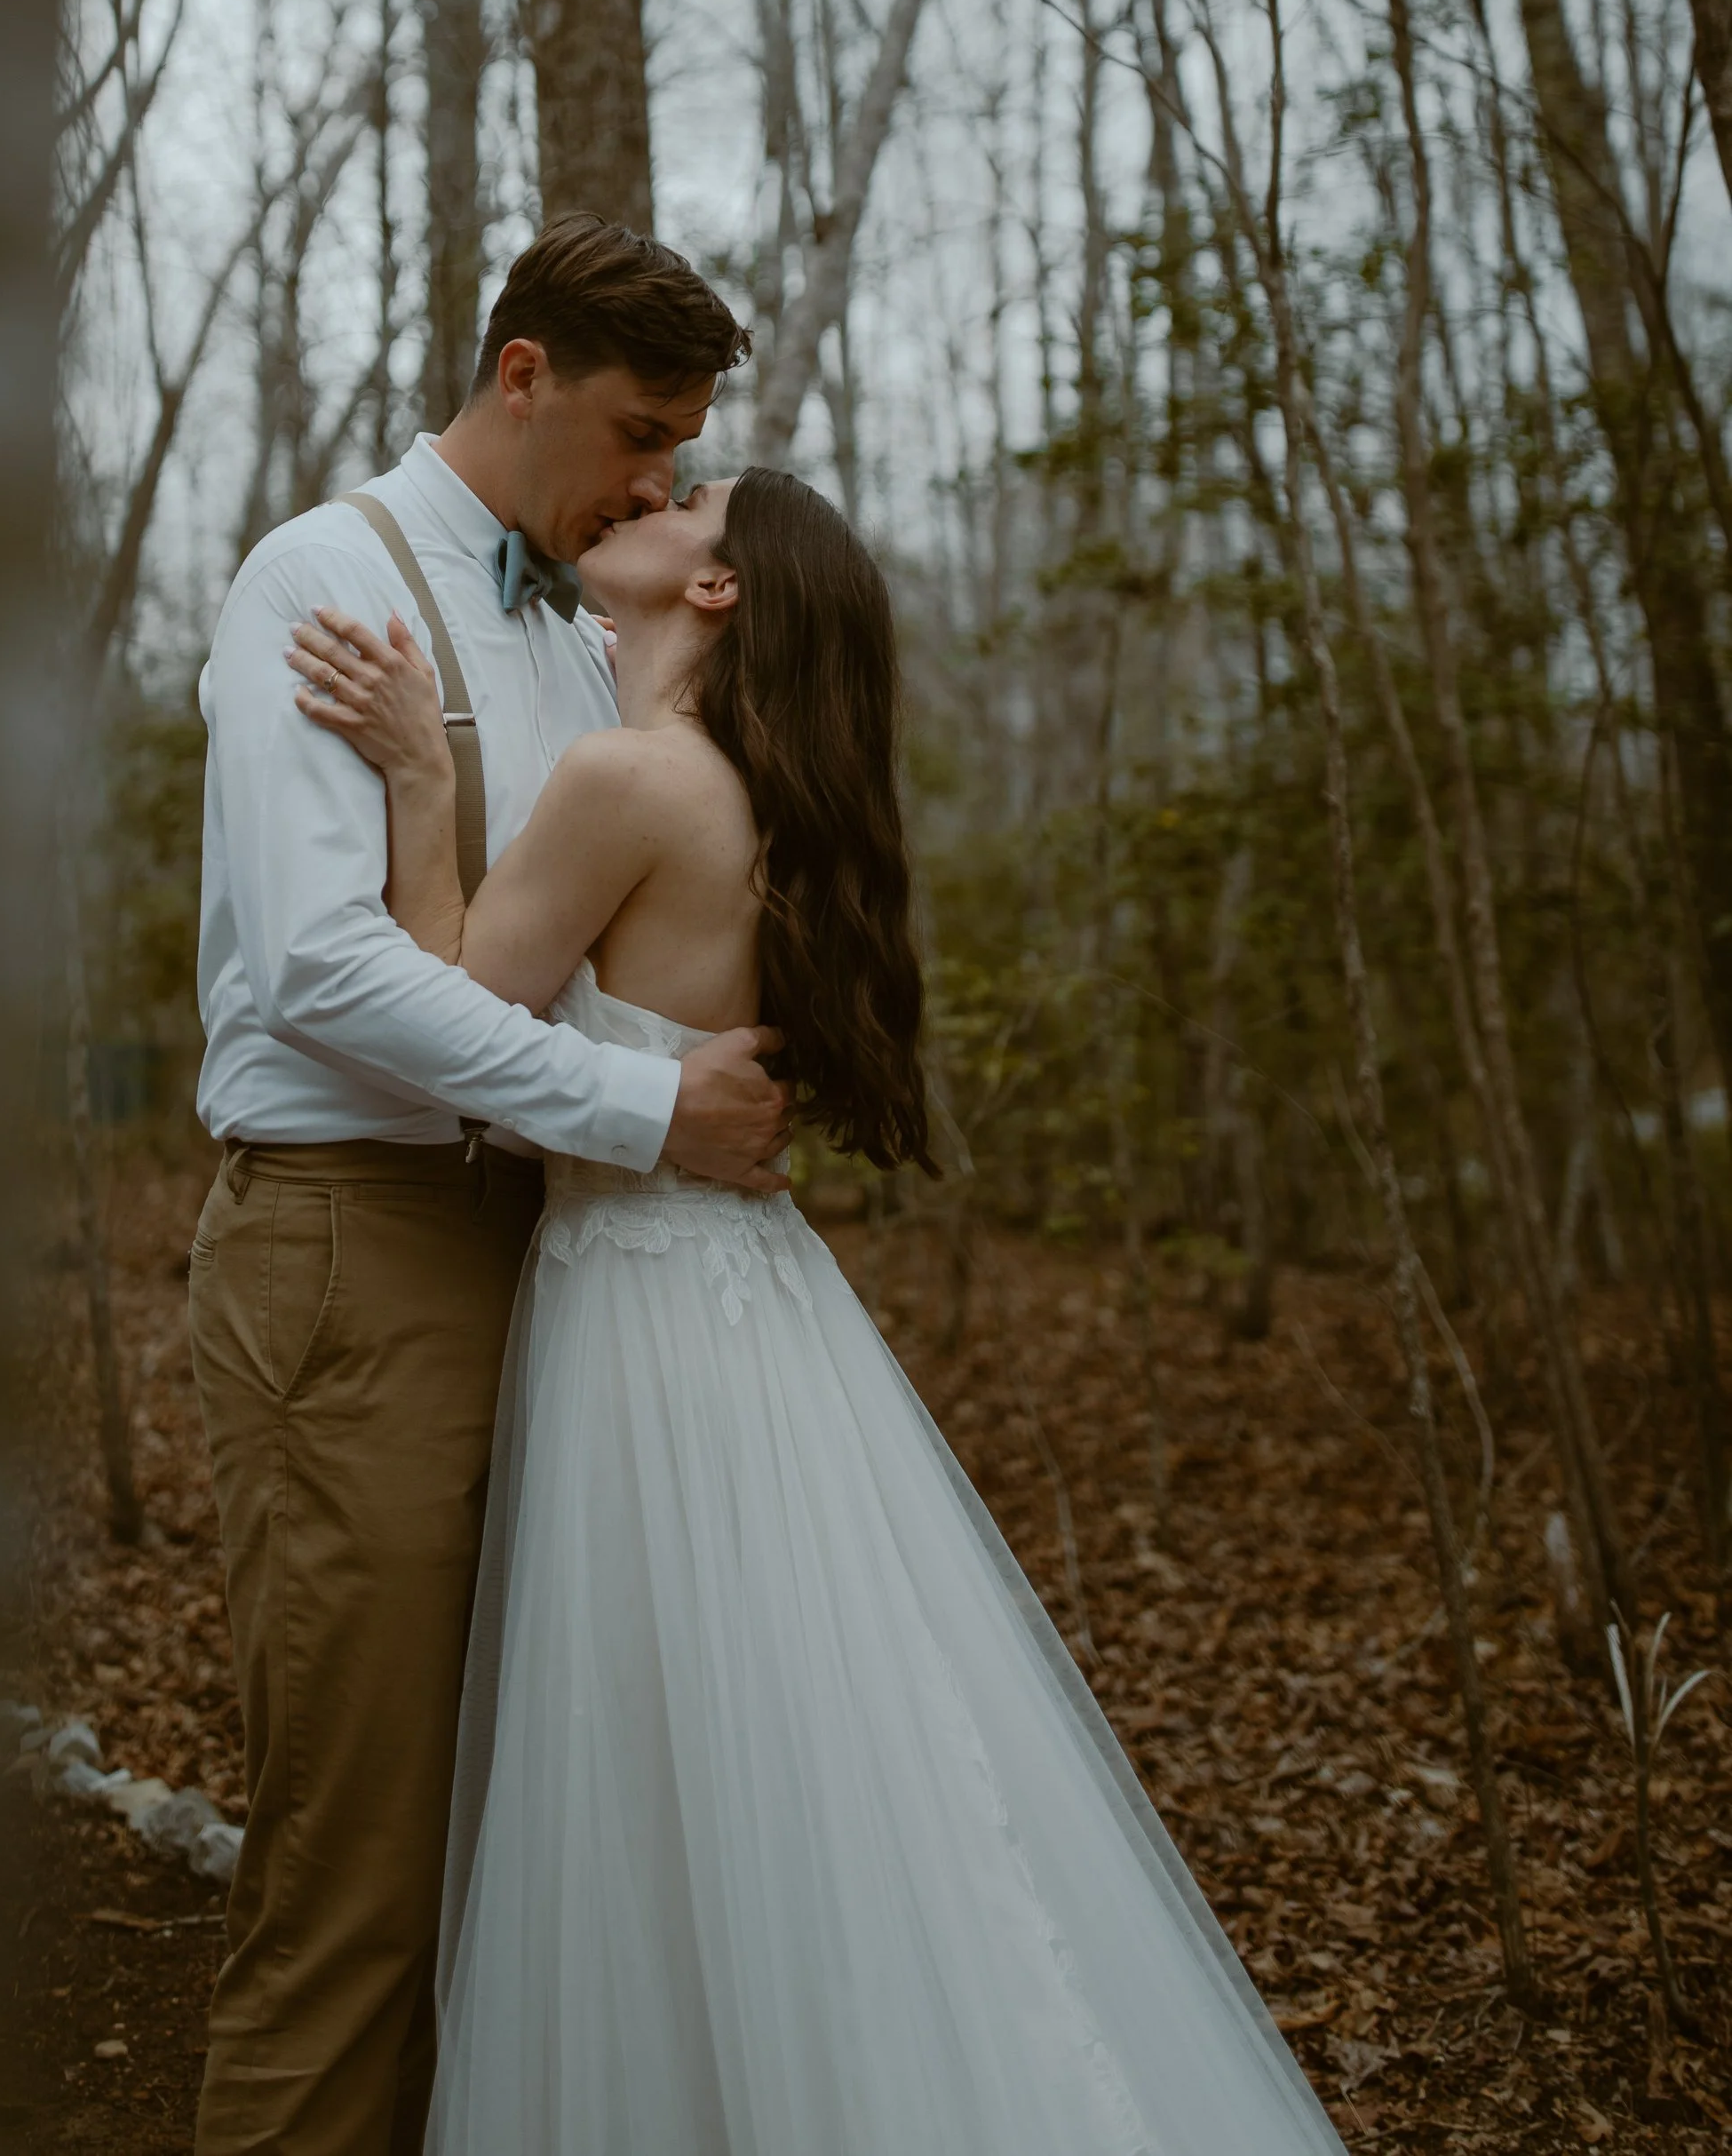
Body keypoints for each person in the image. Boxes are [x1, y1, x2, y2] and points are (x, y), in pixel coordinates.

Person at [286, 465, 1348, 2156]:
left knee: (652, 1771)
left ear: (717, 588)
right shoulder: (757, 797)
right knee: (812, 1754)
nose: (648, 495)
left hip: (638, 1315)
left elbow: (458, 1034)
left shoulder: (631, 775)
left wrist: (422, 778)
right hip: (750, 1306)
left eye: (691, 494)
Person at [186, 215, 791, 2156]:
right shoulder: (324, 578)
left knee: (514, 1868)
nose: (658, 481)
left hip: (552, 1274)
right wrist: (643, 1116)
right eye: (636, 429)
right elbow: (325, 968)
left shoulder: (571, 628)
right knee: (353, 1890)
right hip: (357, 1256)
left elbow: (547, 941)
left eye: (682, 446)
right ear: (518, 373)